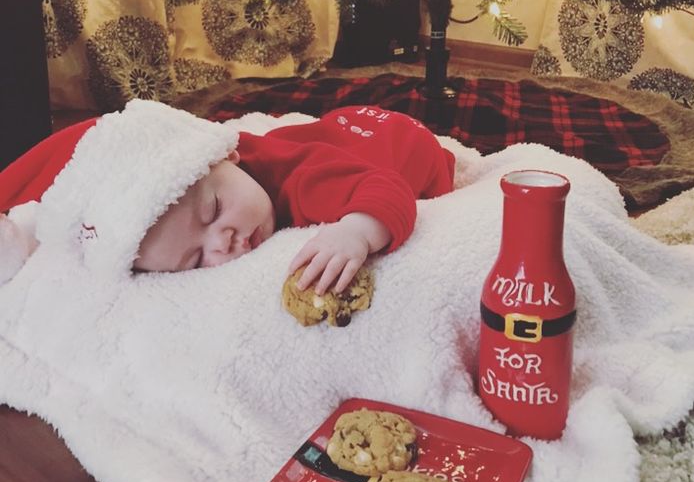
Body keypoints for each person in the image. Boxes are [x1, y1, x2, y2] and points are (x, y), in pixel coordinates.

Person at [0, 103, 455, 294]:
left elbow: (386, 188)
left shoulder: (306, 181)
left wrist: (356, 230)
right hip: (321, 131)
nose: (223, 242)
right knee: (99, 148)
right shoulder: (216, 181)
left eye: (214, 212)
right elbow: (93, 162)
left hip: (401, 139)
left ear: (230, 154)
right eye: (195, 259)